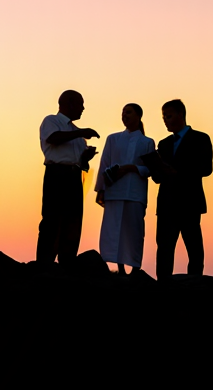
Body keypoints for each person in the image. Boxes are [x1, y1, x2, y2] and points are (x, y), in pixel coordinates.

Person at [148, 99, 213, 281]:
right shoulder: (164, 144)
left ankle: (195, 285)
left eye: (168, 116)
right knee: (164, 249)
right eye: (163, 117)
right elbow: (157, 178)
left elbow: (206, 168)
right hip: (167, 203)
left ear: (180, 114)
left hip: (189, 202)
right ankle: (163, 286)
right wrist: (155, 167)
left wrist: (178, 172)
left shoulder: (201, 138)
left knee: (194, 248)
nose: (165, 120)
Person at [37, 90, 100, 264]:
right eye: (81, 104)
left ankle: (67, 263)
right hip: (56, 175)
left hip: (74, 177)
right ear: (69, 103)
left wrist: (85, 157)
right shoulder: (52, 121)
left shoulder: (76, 131)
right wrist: (80, 133)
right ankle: (44, 264)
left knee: (73, 222)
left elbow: (78, 160)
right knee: (52, 221)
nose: (83, 108)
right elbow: (53, 138)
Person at [94, 103, 155, 275]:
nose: (124, 115)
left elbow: (150, 169)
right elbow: (104, 164)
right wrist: (101, 189)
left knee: (134, 231)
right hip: (114, 191)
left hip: (135, 193)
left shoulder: (147, 142)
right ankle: (119, 268)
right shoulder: (112, 139)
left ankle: (135, 268)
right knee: (114, 230)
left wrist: (132, 168)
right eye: (123, 112)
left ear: (138, 116)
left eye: (128, 112)